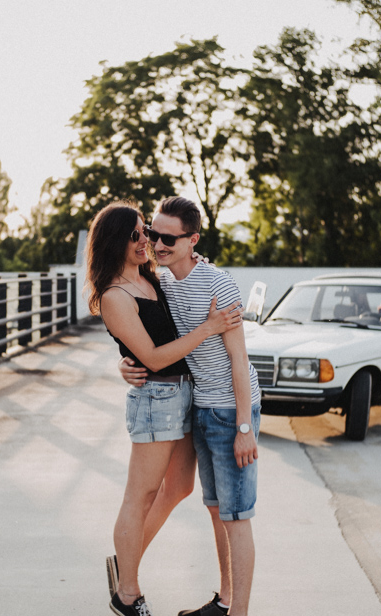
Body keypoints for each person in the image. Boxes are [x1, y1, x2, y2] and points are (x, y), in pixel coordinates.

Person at [85, 201, 243, 616]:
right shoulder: (115, 295)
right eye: (139, 235)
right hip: (156, 399)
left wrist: (191, 256)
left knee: (179, 488)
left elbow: (186, 276)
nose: (148, 242)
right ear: (114, 242)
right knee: (141, 495)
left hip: (184, 394)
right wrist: (210, 327)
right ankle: (128, 592)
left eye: (149, 233)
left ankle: (125, 562)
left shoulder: (152, 278)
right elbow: (152, 357)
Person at [121, 196, 262, 616]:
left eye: (167, 237)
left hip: (231, 409)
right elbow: (148, 340)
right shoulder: (161, 282)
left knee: (237, 518)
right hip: (199, 407)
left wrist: (243, 428)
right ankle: (223, 602)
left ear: (192, 240)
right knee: (217, 510)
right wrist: (126, 364)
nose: (156, 244)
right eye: (151, 234)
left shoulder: (219, 285)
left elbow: (240, 360)